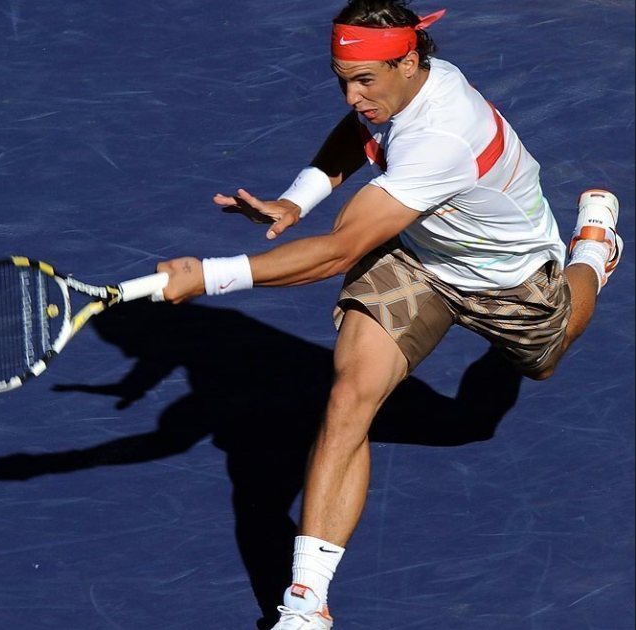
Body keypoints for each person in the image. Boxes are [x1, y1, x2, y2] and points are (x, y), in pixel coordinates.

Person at [154, 1, 624, 628]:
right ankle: (306, 604)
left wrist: (207, 276)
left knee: (546, 354)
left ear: (408, 61)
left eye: (364, 80)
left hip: (506, 278)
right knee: (350, 397)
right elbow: (361, 133)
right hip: (414, 259)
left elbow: (339, 251)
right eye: (341, 77)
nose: (351, 95)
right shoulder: (397, 91)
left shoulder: (444, 134)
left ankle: (593, 248)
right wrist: (298, 198)